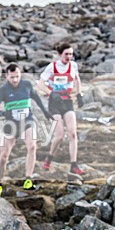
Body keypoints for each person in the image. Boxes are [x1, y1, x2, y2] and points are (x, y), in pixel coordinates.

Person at [0, 64, 52, 198]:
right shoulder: (3, 90)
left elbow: (36, 98)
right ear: (7, 76)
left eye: (17, 76)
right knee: (4, 155)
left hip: (27, 122)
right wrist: (2, 113)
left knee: (32, 146)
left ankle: (28, 179)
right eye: (12, 77)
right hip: (11, 124)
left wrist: (46, 113)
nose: (15, 80)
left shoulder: (27, 85)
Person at [37, 43, 86, 178]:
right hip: (54, 104)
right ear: (60, 55)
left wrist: (79, 94)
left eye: (71, 54)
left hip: (67, 101)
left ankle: (74, 165)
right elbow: (40, 83)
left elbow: (77, 79)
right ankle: (49, 158)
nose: (69, 57)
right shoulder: (52, 67)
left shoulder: (73, 66)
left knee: (73, 133)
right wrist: (50, 93)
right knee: (59, 135)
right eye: (66, 54)